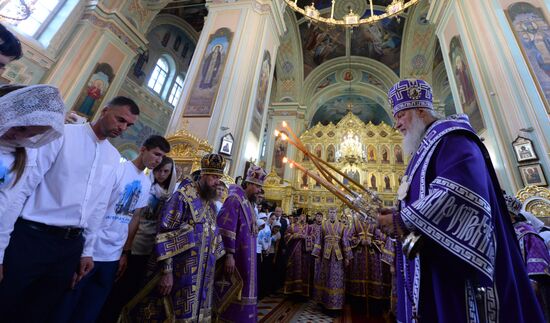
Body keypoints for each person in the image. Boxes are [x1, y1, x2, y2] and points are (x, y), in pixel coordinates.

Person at [378, 79, 544, 322]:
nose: (397, 124)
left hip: (456, 271)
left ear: (420, 110)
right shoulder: (423, 149)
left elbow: (459, 191)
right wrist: (397, 211)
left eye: (401, 115)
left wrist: (402, 219)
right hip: (434, 262)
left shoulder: (453, 138)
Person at [0, 96, 140, 321]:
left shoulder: (114, 157)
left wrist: (87, 251)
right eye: (120, 119)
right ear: (104, 111)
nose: (122, 127)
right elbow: (24, 188)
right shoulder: (63, 136)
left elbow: (98, 207)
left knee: (43, 310)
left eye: (128, 125)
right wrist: (1, 247)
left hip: (70, 247)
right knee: (8, 302)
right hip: (33, 238)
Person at [53, 135, 170, 323]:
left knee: (91, 309)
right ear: (143, 149)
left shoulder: (146, 182)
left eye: (161, 157)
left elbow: (135, 218)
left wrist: (125, 252)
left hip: (113, 256)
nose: (158, 160)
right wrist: (86, 250)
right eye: (156, 154)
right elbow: (97, 208)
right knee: (68, 305)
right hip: (92, 250)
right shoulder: (118, 170)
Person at [124, 154, 226, 322]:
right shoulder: (182, 197)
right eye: (214, 177)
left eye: (219, 178)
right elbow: (165, 233)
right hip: (181, 273)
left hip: (203, 274)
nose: (217, 182)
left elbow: (214, 236)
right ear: (203, 175)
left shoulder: (211, 205)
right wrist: (167, 271)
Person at [98, 156, 177, 322]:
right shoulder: (145, 186)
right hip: (133, 242)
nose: (161, 174)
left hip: (151, 248)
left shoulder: (171, 197)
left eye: (166, 171)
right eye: (159, 170)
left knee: (134, 288)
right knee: (119, 285)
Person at [0, 85, 65, 221]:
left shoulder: (25, 153)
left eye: (32, 135)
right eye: (20, 128)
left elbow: (8, 204)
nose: (18, 137)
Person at [216, 164, 266, 322]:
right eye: (258, 187)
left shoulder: (247, 202)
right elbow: (225, 226)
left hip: (247, 257)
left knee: (246, 288)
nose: (259, 191)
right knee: (234, 290)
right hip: (236, 257)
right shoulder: (234, 199)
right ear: (250, 183)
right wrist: (229, 254)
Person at [505, 195, 550, 322]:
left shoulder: (527, 233)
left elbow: (538, 269)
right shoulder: (504, 231)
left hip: (527, 288)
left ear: (511, 214)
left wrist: (531, 286)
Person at [312, 207, 352, 310]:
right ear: (328, 213)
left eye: (334, 212)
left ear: (336, 213)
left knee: (337, 279)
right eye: (331, 212)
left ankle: (336, 303)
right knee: (325, 277)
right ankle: (323, 302)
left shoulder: (342, 226)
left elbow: (345, 242)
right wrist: (316, 254)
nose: (332, 214)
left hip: (338, 257)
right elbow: (319, 240)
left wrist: (347, 257)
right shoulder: (324, 225)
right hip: (326, 256)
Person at [284, 211, 311, 297]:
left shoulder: (309, 227)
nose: (303, 218)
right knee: (293, 270)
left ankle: (303, 292)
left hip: (305, 253)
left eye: (304, 216)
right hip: (294, 253)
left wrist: (306, 238)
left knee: (304, 271)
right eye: (301, 216)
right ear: (298, 217)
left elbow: (313, 237)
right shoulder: (292, 226)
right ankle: (292, 291)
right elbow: (286, 236)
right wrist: (295, 236)